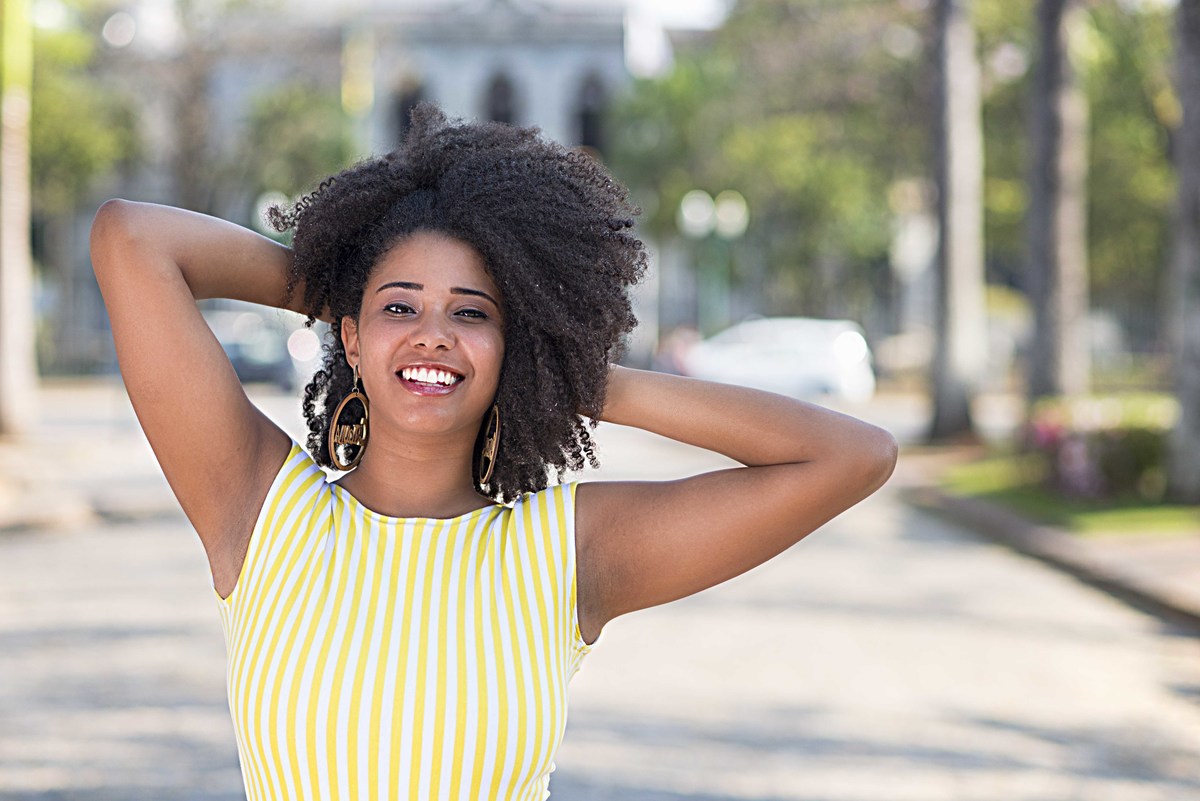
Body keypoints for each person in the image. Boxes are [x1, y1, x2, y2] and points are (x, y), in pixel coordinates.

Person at [90, 104, 897, 800]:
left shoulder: (563, 551)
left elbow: (851, 454)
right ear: (350, 337)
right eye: (402, 305)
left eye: (472, 314)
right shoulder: (262, 512)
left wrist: (568, 368)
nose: (433, 332)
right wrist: (349, 286)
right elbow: (132, 238)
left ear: (512, 347)